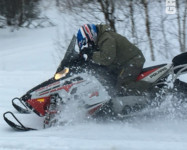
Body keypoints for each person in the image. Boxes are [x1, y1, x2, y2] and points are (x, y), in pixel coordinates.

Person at [77, 24, 147, 96]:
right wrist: (83, 59)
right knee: (109, 80)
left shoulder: (106, 38)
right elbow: (99, 55)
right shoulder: (100, 39)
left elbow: (107, 58)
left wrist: (91, 54)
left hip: (134, 60)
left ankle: (153, 90)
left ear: (90, 36)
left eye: (87, 42)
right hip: (123, 62)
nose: (89, 45)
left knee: (122, 87)